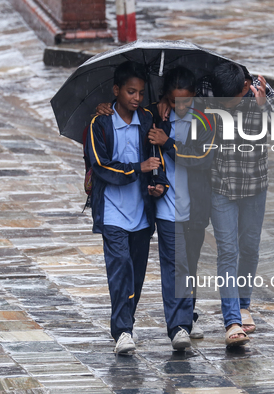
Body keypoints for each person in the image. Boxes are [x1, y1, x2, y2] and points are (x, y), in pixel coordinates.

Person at [204, 62, 274, 347]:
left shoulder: (262, 92)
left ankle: (243, 304)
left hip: (254, 185)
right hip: (220, 185)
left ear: (244, 88)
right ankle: (232, 322)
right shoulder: (209, 87)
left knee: (249, 247)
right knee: (227, 251)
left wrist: (265, 107)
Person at [86, 61, 167, 355]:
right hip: (111, 211)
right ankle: (122, 330)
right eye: (131, 92)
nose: (136, 98)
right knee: (119, 268)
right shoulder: (100, 124)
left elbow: (156, 158)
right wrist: (137, 168)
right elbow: (101, 166)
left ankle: (126, 322)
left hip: (142, 213)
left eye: (141, 93)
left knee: (136, 274)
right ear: (116, 91)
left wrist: (157, 183)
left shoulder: (147, 119)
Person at [146, 66, 216, 349]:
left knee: (189, 264)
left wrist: (169, 143)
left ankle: (188, 314)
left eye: (186, 101)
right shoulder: (156, 117)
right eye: (175, 101)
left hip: (196, 208)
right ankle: (178, 326)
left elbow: (202, 158)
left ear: (194, 96)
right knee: (175, 266)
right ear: (166, 97)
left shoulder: (207, 120)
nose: (181, 107)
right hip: (167, 208)